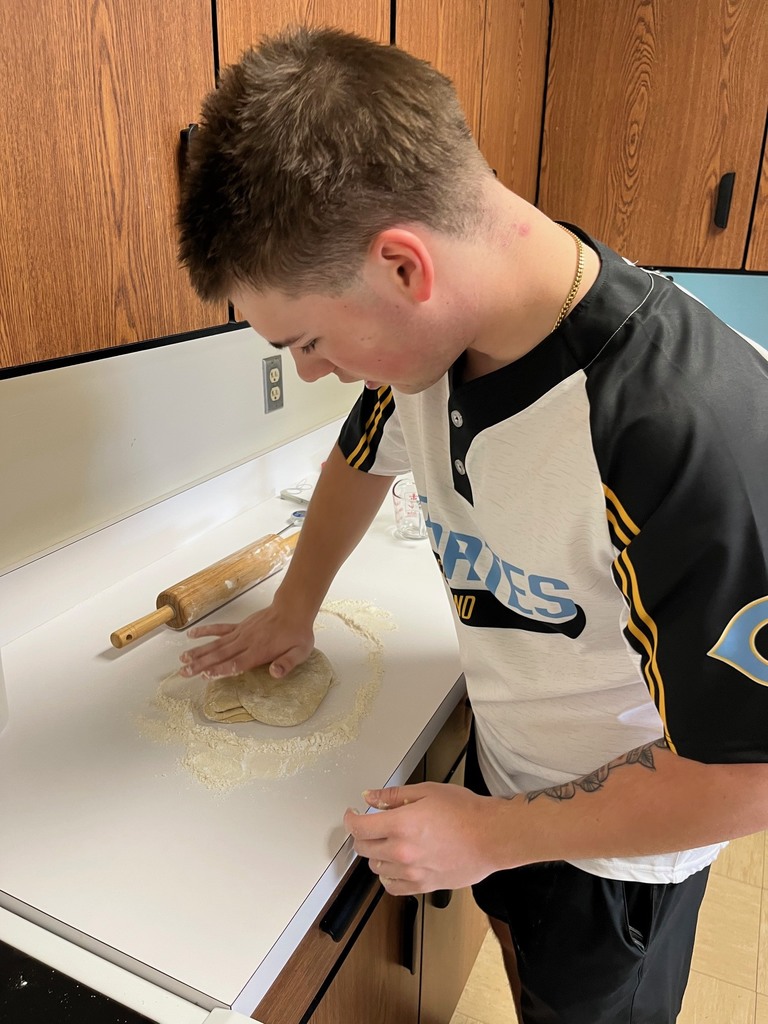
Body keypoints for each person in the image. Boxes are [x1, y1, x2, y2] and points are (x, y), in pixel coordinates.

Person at [176, 26, 768, 1024]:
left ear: (404, 267)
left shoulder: (686, 430)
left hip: (620, 861)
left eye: (307, 340)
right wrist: (294, 605)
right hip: (503, 778)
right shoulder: (433, 346)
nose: (311, 372)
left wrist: (492, 835)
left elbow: (746, 777)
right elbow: (360, 457)